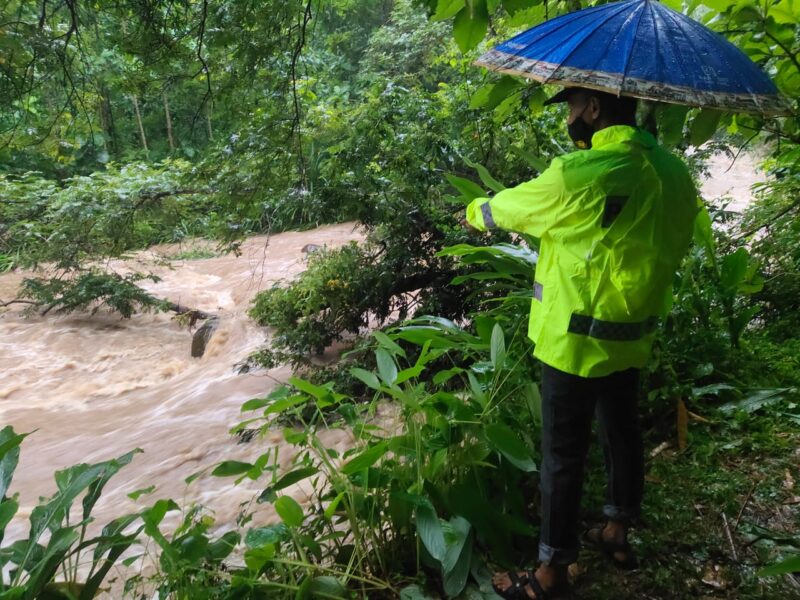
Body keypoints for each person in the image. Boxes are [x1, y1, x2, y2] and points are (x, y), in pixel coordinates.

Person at [462, 87, 699, 599]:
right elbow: (679, 239)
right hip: (633, 332)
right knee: (622, 430)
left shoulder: (581, 173)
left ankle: (551, 574)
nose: (569, 118)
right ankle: (617, 531)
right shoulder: (674, 173)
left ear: (592, 109)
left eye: (572, 107)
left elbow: (508, 210)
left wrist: (476, 208)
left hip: (575, 340)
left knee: (562, 455)